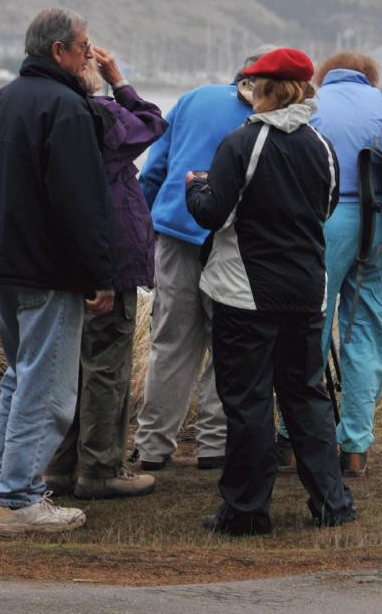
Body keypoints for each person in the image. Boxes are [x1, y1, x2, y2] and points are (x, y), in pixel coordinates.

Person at [185, 47, 356, 536]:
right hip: (306, 291)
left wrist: (195, 188)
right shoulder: (320, 145)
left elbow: (213, 214)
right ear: (304, 90)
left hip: (245, 293)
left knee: (248, 402)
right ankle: (332, 503)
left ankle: (246, 511)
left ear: (262, 90)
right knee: (307, 397)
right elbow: (323, 210)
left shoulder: (241, 143)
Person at [0, 7, 116, 536]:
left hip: (3, 263)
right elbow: (82, 204)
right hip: (48, 270)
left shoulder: (3, 100)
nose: (89, 56)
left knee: (20, 376)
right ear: (60, 52)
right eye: (84, 47)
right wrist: (100, 274)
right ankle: (20, 500)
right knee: (47, 389)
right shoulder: (67, 108)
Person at [131, 46, 273, 472]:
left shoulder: (193, 98)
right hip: (233, 242)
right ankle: (215, 444)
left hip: (176, 233)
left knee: (170, 344)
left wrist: (141, 231)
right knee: (226, 346)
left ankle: (154, 446)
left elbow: (155, 169)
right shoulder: (270, 116)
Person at [44, 46, 167, 499]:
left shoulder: (56, 116)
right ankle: (100, 468)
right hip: (108, 258)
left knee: (71, 363)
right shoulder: (103, 118)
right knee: (106, 366)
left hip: (69, 258)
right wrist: (120, 80)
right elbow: (153, 120)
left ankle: (60, 465)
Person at [273, 52, 382, 478]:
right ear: (369, 76)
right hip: (379, 225)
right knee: (367, 334)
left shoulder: (313, 104)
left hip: (321, 222)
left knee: (308, 330)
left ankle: (290, 438)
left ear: (323, 74)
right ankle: (355, 447)